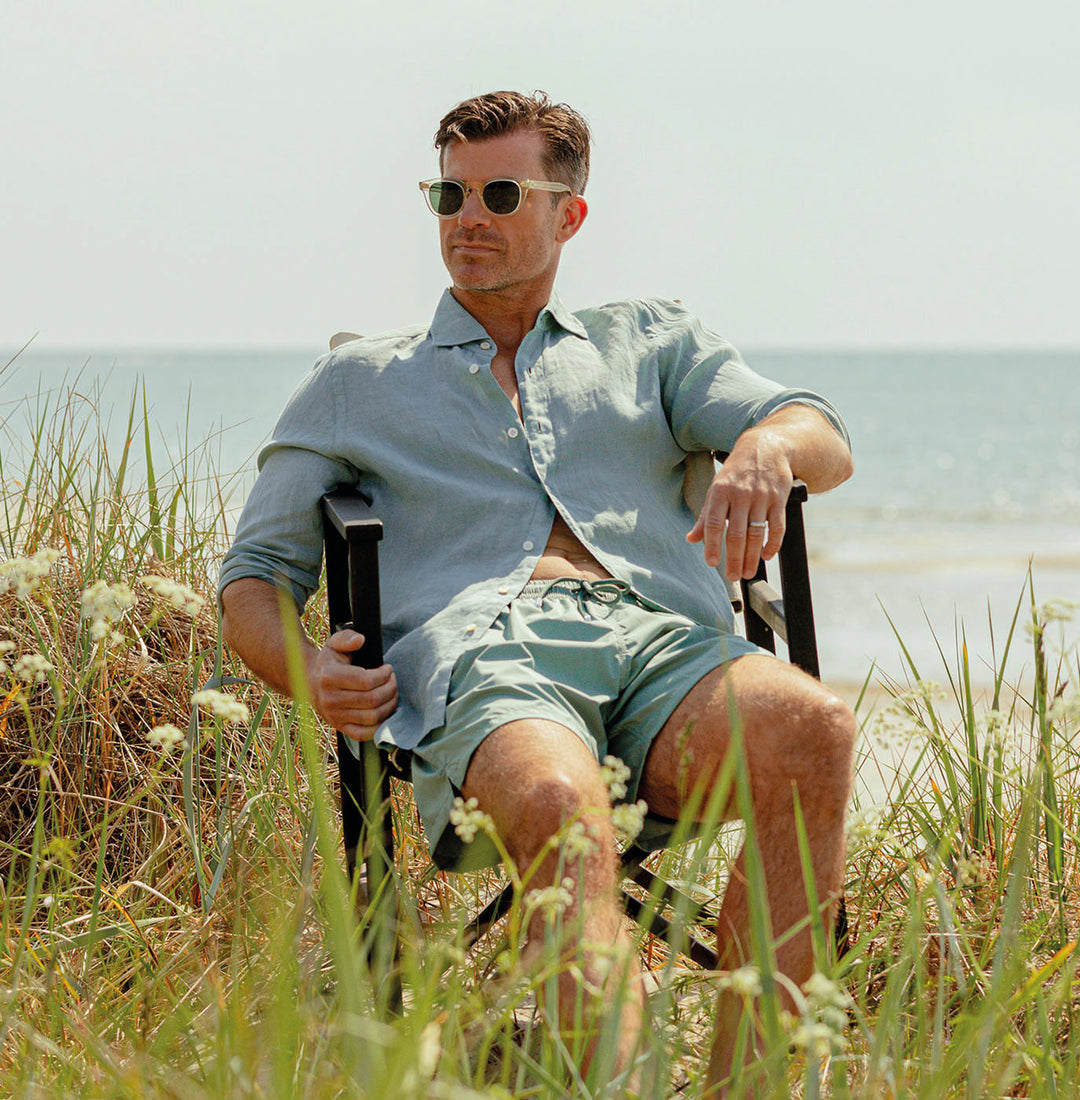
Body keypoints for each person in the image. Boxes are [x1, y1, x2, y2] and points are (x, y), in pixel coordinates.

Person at [219, 90, 856, 1095]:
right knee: (561, 804)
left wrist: (763, 453)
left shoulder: (651, 341)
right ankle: (606, 1062)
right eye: (448, 193)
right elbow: (252, 576)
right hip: (491, 653)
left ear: (568, 214)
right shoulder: (357, 383)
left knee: (813, 725)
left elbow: (815, 429)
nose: (466, 215)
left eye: (500, 192)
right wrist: (304, 671)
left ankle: (757, 1081)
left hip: (661, 645)